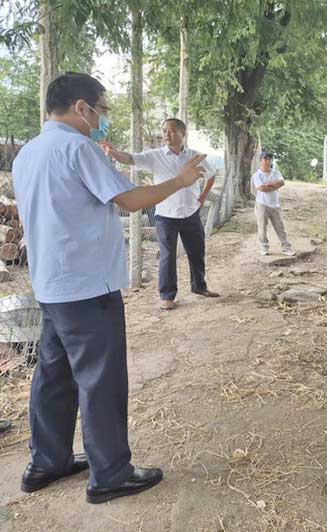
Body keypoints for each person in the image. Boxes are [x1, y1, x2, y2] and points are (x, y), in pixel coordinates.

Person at [12, 72, 207, 503]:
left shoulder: (27, 153)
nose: (102, 118)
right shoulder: (78, 147)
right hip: (86, 287)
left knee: (53, 375)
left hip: (50, 284)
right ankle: (111, 473)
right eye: (101, 109)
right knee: (100, 380)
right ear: (82, 107)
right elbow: (130, 199)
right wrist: (180, 181)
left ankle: (47, 460)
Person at [102, 118, 218, 310]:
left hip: (191, 212)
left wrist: (203, 197)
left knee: (197, 252)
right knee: (167, 255)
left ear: (183, 134)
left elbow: (211, 175)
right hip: (165, 215)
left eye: (171, 131)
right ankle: (167, 296)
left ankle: (199, 287)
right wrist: (114, 152)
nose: (166, 134)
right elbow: (130, 158)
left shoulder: (194, 157)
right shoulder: (154, 156)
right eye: (164, 131)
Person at [252, 151, 295, 257]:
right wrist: (274, 185)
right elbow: (261, 188)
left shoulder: (276, 173)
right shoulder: (257, 175)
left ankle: (286, 247)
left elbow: (282, 182)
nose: (267, 161)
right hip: (262, 204)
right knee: (262, 227)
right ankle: (264, 246)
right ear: (260, 160)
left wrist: (269, 184)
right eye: (265, 159)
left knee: (280, 227)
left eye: (269, 159)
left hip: (275, 204)